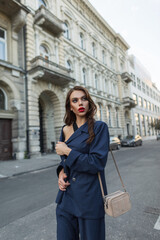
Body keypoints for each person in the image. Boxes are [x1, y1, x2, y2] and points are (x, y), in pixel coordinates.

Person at [55, 86, 109, 240]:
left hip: (90, 199)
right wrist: (60, 173)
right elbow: (64, 162)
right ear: (70, 107)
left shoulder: (99, 128)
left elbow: (96, 163)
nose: (81, 103)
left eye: (84, 99)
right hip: (66, 199)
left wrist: (68, 151)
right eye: (75, 100)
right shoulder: (65, 129)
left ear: (89, 103)